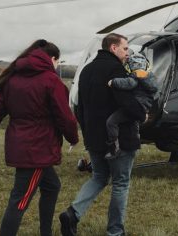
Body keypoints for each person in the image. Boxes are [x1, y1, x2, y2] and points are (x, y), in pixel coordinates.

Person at [0, 39, 79, 236]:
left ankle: (45, 232)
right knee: (20, 201)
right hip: (37, 150)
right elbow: (64, 116)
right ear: (52, 59)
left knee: (52, 186)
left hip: (22, 146)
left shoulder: (11, 80)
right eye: (58, 61)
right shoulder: (51, 81)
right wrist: (73, 137)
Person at [60, 33, 142, 236]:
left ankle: (73, 213)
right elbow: (127, 102)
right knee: (121, 183)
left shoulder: (86, 71)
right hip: (119, 139)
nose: (127, 53)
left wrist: (87, 132)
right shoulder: (116, 70)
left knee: (99, 177)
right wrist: (142, 113)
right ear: (113, 48)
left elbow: (78, 106)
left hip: (94, 138)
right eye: (125, 48)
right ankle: (115, 231)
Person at [105, 52, 158, 159]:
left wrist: (113, 82)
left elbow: (130, 83)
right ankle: (134, 146)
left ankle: (114, 148)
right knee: (134, 125)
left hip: (136, 106)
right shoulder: (150, 76)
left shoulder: (136, 75)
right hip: (144, 107)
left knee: (111, 122)